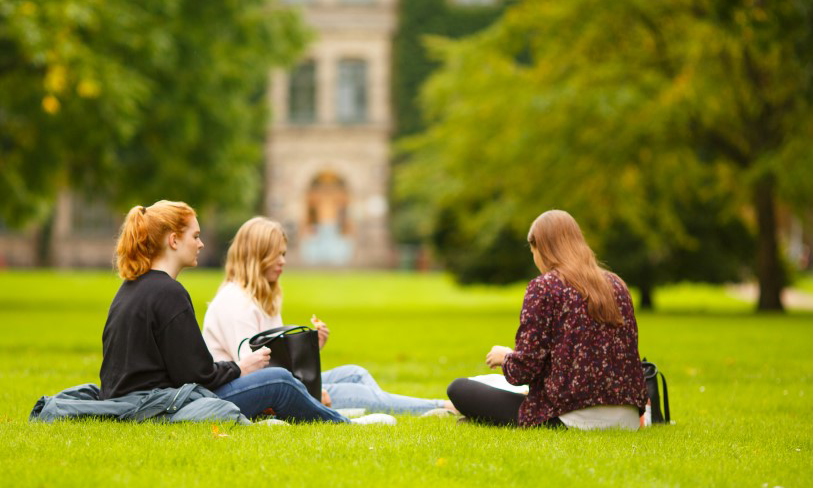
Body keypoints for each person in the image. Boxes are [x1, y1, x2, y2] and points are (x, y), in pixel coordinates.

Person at [100, 200, 394, 425]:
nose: (201, 244)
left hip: (144, 399)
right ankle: (342, 423)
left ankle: (325, 411)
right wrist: (241, 367)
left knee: (338, 375)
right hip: (160, 405)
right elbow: (198, 375)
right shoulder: (168, 293)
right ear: (174, 240)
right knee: (278, 380)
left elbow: (180, 369)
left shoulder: (130, 288)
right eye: (195, 236)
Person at [202, 216, 456, 416]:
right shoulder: (236, 302)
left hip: (273, 382)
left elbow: (279, 360)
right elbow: (254, 370)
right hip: (245, 393)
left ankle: (380, 407)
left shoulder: (263, 297)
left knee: (355, 374)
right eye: (276, 255)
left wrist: (311, 348)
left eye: (284, 254)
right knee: (352, 392)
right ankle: (439, 407)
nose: (283, 262)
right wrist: (310, 394)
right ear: (256, 256)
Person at [446, 210, 648, 430]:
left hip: (570, 415)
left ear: (540, 248)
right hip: (628, 417)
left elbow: (524, 370)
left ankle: (483, 419)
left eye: (533, 251)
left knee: (459, 389)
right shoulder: (617, 285)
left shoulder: (544, 287)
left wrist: (505, 358)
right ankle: (482, 421)